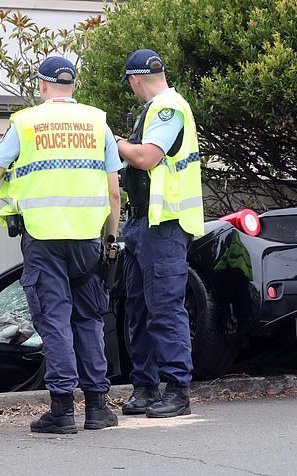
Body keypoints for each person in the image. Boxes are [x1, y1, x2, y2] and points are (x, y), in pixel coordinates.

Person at [0, 56, 122, 434]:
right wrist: (111, 237)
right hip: (88, 240)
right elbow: (113, 190)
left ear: (42, 86)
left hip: (44, 239)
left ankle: (62, 410)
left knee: (55, 321)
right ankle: (97, 408)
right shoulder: (98, 122)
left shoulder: (26, 122)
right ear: (73, 87)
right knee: (89, 319)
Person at [116, 49, 204, 418]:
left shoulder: (169, 108)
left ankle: (177, 392)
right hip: (141, 223)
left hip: (164, 226)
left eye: (131, 84)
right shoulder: (153, 110)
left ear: (135, 79)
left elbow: (147, 158)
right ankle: (146, 388)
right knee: (137, 307)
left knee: (165, 308)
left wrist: (115, 142)